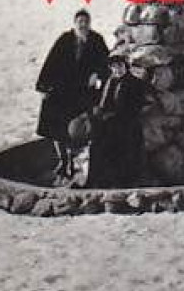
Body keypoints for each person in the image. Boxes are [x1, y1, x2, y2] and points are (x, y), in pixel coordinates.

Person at [35, 10, 110, 183]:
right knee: (54, 124)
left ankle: (75, 161)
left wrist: (97, 74)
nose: (83, 25)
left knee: (79, 128)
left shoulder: (96, 40)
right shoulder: (65, 40)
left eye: (86, 22)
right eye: (80, 22)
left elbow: (106, 63)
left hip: (83, 91)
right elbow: (51, 62)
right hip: (62, 89)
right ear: (74, 23)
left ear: (90, 23)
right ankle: (63, 160)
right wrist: (44, 86)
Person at [84, 52, 149, 189]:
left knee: (121, 148)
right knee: (96, 145)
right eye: (114, 67)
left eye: (120, 66)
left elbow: (136, 107)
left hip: (127, 124)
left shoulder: (136, 83)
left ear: (125, 66)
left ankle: (121, 182)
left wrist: (114, 116)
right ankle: (95, 181)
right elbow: (102, 103)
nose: (117, 70)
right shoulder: (110, 82)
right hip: (110, 123)